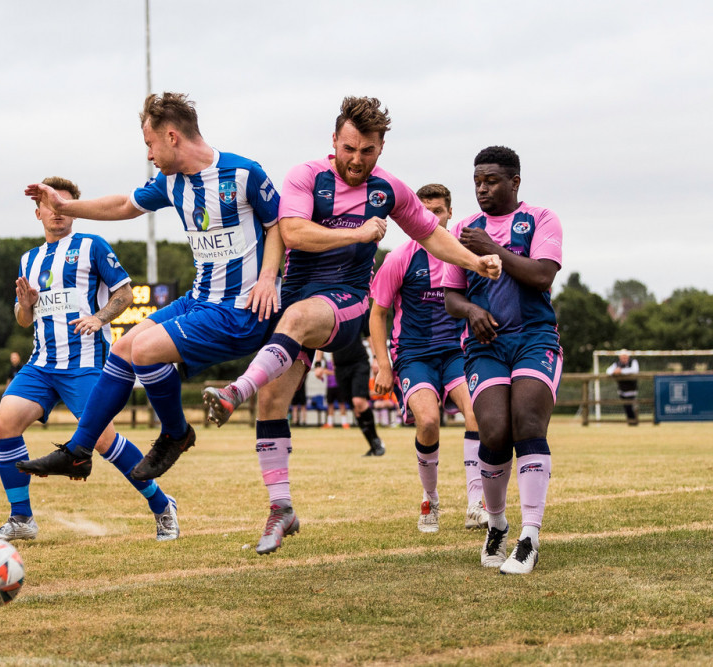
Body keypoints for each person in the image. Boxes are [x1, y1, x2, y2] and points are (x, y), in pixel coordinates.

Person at [203, 96, 501, 554]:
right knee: (273, 400)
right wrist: (359, 233)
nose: (356, 160)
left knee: (298, 320)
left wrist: (474, 262)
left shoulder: (389, 189)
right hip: (297, 304)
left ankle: (233, 390)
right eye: (348, 148)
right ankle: (281, 508)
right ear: (334, 143)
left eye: (367, 151)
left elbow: (433, 235)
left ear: (380, 148)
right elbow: (294, 231)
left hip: (345, 301)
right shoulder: (306, 176)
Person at [16, 92, 284, 486]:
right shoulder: (171, 182)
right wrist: (65, 206)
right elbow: (124, 205)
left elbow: (279, 225)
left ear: (172, 136)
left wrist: (267, 278)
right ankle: (79, 452)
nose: (148, 154)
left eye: (149, 144)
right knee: (125, 348)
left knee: (142, 349)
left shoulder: (244, 174)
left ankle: (176, 434)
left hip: (240, 309)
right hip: (199, 300)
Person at [0, 175, 181, 543]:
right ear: (38, 212)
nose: (56, 211)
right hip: (41, 365)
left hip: (86, 364)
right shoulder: (29, 259)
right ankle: (21, 518)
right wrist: (24, 307)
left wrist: (99, 317)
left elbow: (124, 293)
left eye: (64, 203)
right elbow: (23, 318)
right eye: (49, 204)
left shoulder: (92, 245)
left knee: (104, 441)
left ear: (73, 210)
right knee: (4, 424)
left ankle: (162, 505)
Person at [442, 146, 563, 575]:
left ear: (514, 182)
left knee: (529, 422)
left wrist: (492, 247)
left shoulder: (541, 219)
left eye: (491, 180)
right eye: (477, 181)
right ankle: (497, 525)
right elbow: (451, 294)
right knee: (493, 431)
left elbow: (541, 276)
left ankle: (529, 537)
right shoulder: (463, 229)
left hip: (534, 338)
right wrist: (472, 312)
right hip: (486, 346)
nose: (482, 188)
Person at [369, 183, 487, 534]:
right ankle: (430, 498)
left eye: (437, 211)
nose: (431, 218)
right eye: (424, 212)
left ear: (449, 213)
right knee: (429, 422)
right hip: (414, 355)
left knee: (477, 413)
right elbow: (378, 314)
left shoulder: (465, 256)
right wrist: (383, 365)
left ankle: (475, 503)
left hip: (457, 353)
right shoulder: (400, 258)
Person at [329, 326, 385, 456]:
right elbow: (322, 339)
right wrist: (319, 363)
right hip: (340, 367)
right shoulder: (329, 309)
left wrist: (376, 358)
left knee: (359, 401)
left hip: (358, 363)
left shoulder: (359, 308)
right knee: (356, 409)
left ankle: (376, 440)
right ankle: (373, 446)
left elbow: (370, 335)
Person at [607, 350, 639, 425]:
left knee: (630, 406)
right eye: (622, 357)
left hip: (632, 389)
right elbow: (608, 371)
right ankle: (631, 421)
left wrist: (621, 371)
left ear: (628, 357)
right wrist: (614, 371)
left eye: (625, 357)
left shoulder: (633, 362)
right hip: (622, 389)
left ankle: (633, 422)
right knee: (626, 406)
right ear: (620, 358)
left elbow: (635, 370)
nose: (624, 359)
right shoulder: (617, 364)